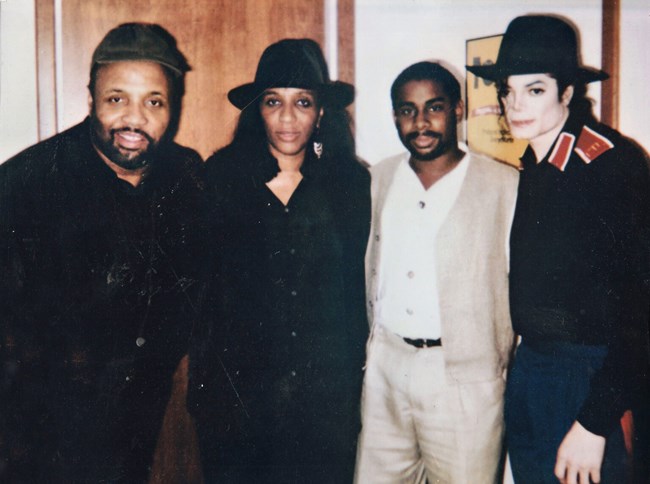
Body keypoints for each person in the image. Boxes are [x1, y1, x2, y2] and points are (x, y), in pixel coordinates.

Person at [0, 23, 203, 482]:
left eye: (154, 101)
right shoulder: (26, 185)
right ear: (91, 98)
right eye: (117, 99)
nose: (135, 118)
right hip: (40, 432)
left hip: (142, 418)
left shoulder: (186, 176)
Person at [467, 15, 650, 484]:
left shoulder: (612, 165)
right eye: (508, 90)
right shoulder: (534, 165)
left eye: (535, 90)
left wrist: (595, 421)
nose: (515, 104)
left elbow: (640, 311)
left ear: (567, 92)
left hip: (589, 382)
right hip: (533, 371)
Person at [187, 39, 370, 483]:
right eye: (274, 102)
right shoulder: (219, 179)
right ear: (257, 110)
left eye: (302, 102)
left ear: (322, 112)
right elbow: (199, 291)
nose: (288, 118)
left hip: (324, 402)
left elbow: (359, 291)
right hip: (238, 402)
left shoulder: (350, 185)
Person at [354, 61, 519, 483]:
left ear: (458, 110)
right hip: (387, 369)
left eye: (435, 107)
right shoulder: (378, 179)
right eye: (407, 110)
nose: (421, 122)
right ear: (394, 116)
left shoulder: (505, 186)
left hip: (465, 378)